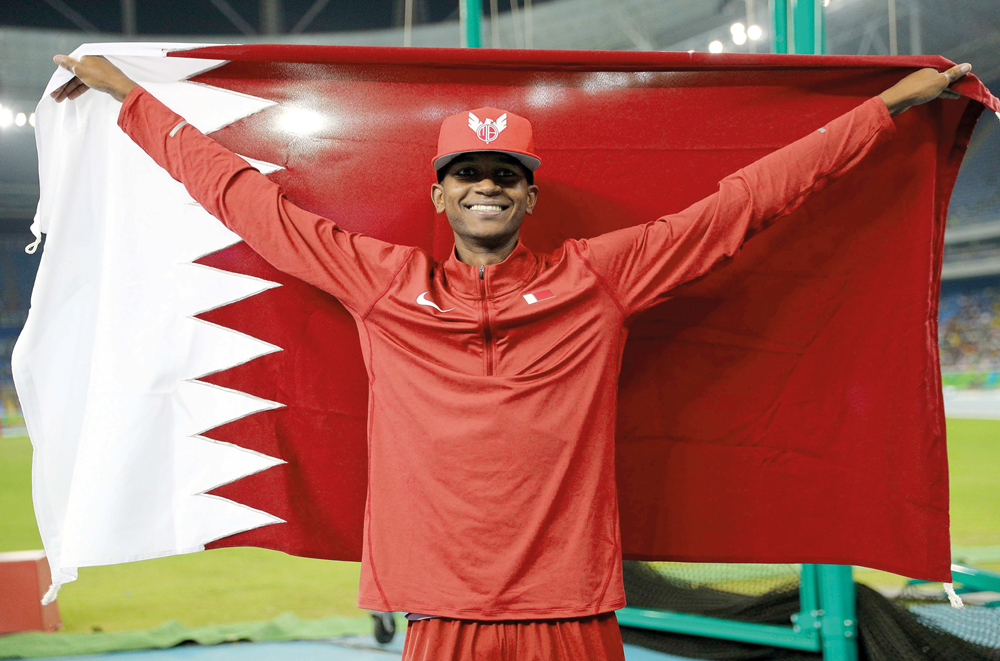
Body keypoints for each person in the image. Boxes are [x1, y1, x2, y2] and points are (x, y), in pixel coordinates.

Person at [50, 53, 971, 661]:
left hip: (569, 610)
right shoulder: (380, 281)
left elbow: (746, 203)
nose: (487, 185)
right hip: (442, 614)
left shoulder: (598, 278)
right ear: (441, 196)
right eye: (468, 175)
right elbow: (243, 198)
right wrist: (128, 98)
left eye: (505, 176)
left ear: (527, 198)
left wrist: (885, 110)